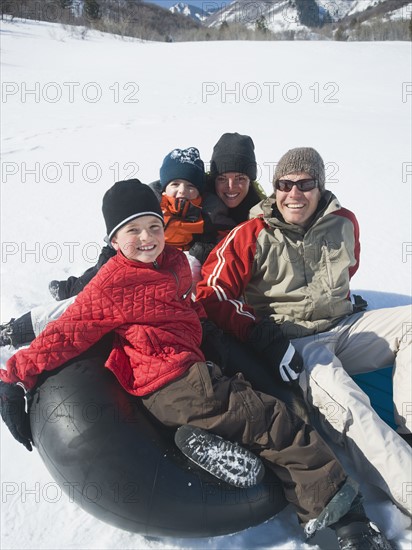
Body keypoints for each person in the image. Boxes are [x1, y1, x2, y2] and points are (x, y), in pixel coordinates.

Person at [0, 179, 394, 549]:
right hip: (177, 382)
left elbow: (186, 306)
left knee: (248, 405)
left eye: (153, 226)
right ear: (113, 239)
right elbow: (66, 332)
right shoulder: (112, 283)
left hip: (190, 374)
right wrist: (13, 377)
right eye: (132, 231)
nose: (146, 238)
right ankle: (348, 520)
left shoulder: (172, 263)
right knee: (275, 421)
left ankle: (208, 445)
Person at [196, 147, 412, 518]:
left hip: (344, 325)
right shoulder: (250, 234)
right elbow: (211, 294)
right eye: (284, 184)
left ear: (320, 187)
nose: (293, 193)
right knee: (349, 406)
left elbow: (349, 269)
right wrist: (262, 334)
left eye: (305, 183)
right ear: (275, 188)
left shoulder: (344, 222)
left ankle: (407, 431)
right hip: (294, 342)